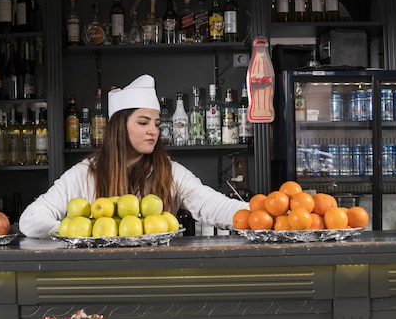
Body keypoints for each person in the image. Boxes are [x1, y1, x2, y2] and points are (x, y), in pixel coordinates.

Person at [19, 74, 245, 238]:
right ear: (119, 127)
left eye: (156, 124)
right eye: (143, 123)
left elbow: (210, 204)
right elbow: (31, 220)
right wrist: (80, 233)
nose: (153, 131)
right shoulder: (85, 173)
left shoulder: (169, 171)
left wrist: (256, 214)